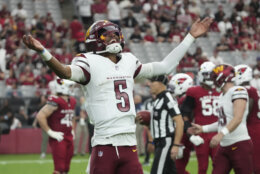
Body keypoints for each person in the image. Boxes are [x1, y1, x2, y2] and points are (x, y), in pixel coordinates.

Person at [22, 18, 213, 174]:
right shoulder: (88, 61)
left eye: (115, 35)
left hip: (129, 144)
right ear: (95, 40)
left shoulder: (129, 61)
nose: (113, 39)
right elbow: (64, 72)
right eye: (106, 36)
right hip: (105, 142)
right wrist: (43, 52)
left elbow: (165, 67)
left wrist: (190, 37)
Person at [190, 64, 253, 174]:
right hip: (224, 146)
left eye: (214, 78)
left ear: (222, 78)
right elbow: (222, 121)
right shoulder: (222, 95)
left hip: (239, 144)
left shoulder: (238, 90)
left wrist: (221, 134)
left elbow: (238, 118)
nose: (213, 81)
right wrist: (203, 128)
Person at [139, 75, 184, 174]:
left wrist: (176, 145)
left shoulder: (167, 98)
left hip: (165, 142)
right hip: (159, 142)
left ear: (160, 84)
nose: (149, 84)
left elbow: (179, 121)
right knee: (170, 171)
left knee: (156, 172)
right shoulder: (158, 99)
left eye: (152, 82)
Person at [181, 61, 220, 174]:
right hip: (201, 133)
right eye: (207, 74)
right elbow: (185, 114)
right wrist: (190, 133)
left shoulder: (221, 91)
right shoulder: (194, 91)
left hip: (217, 132)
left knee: (219, 166)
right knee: (202, 168)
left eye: (211, 75)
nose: (209, 78)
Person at [36, 79, 77, 174]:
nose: (72, 88)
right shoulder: (55, 101)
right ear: (63, 87)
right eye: (70, 86)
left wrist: (72, 130)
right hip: (58, 137)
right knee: (59, 168)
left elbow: (72, 116)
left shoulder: (72, 101)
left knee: (66, 168)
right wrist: (50, 132)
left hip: (68, 136)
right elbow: (40, 116)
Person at [235, 64, 260, 174]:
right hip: (255, 126)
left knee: (253, 165)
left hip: (251, 128)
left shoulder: (247, 90)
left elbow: (246, 112)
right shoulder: (253, 89)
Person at [168, 73, 194, 174]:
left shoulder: (185, 100)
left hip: (183, 136)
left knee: (178, 167)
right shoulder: (181, 99)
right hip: (184, 135)